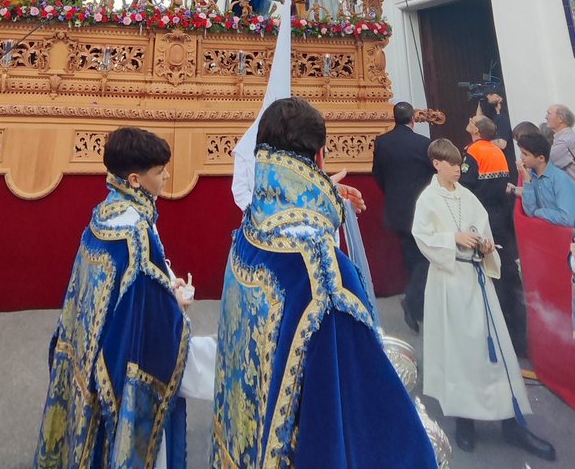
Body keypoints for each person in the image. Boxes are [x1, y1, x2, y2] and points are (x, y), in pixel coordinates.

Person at [211, 97, 439, 469]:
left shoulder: (251, 229)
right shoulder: (321, 268)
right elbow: (362, 409)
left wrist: (322, 194)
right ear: (320, 156)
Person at [34, 126, 215, 469]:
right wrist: (173, 302)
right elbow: (149, 324)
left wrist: (164, 286)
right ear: (135, 179)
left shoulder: (104, 213)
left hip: (88, 353)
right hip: (117, 368)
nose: (165, 178)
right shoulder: (135, 233)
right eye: (159, 173)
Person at [413, 138, 555, 460]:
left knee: (495, 350)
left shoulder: (468, 196)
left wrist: (486, 246)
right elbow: (422, 236)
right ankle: (466, 421)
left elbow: (484, 229)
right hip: (450, 284)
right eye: (452, 164)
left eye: (459, 164)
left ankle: (511, 424)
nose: (458, 169)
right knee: (462, 353)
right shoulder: (428, 200)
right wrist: (453, 238)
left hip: (477, 282)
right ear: (437, 164)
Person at [461, 115, 527, 356]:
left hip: (484, 215)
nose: (468, 121)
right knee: (508, 272)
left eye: (472, 121)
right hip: (501, 215)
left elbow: (467, 185)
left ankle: (497, 329)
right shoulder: (497, 151)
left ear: (476, 130)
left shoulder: (472, 152)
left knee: (491, 272)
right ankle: (519, 335)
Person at [371, 101, 433, 333]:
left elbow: (377, 172)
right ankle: (413, 300)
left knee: (411, 254)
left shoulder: (383, 142)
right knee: (426, 258)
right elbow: (432, 173)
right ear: (413, 120)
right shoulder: (422, 144)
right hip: (419, 208)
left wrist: (391, 192)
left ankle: (417, 303)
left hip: (396, 207)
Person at [515, 131, 575, 227]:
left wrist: (539, 212)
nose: (521, 157)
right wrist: (527, 180)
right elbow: (530, 212)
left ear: (541, 158)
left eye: (525, 154)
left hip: (569, 237)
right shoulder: (531, 176)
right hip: (548, 233)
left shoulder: (560, 179)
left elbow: (567, 219)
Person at [477, 90, 517, 181]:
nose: (488, 96)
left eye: (491, 94)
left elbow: (502, 144)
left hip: (507, 168)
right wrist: (480, 102)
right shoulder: (492, 119)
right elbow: (477, 120)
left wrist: (483, 141)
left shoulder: (502, 118)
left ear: (499, 99)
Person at [545, 103, 575, 181]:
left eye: (549, 113)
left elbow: (546, 167)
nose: (546, 117)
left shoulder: (563, 142)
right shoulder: (569, 136)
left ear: (560, 118)